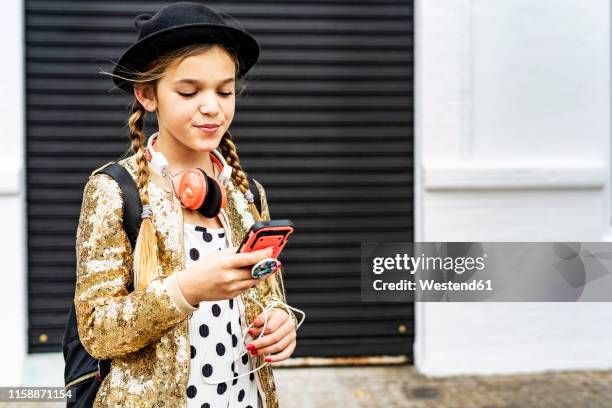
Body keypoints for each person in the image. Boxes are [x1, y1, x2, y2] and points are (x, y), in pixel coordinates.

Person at [73, 2, 299, 407]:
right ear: (147, 94)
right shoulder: (113, 190)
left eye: (225, 90)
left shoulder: (248, 193)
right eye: (189, 91)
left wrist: (280, 320)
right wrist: (186, 290)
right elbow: (96, 330)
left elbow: (268, 293)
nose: (212, 106)